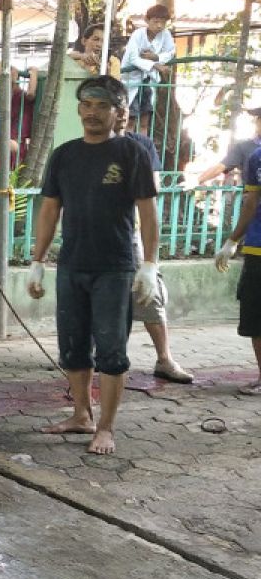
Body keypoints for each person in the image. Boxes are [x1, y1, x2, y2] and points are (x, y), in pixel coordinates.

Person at [28, 75, 161, 456]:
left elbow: (148, 213)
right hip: (72, 265)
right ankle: (81, 414)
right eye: (86, 105)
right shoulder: (65, 155)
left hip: (115, 268)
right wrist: (38, 261)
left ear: (119, 112)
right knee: (73, 346)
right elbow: (50, 208)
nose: (92, 113)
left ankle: (106, 426)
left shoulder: (131, 153)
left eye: (102, 106)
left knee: (111, 350)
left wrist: (149, 264)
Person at [113, 105, 194, 383]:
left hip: (131, 230)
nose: (122, 114)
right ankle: (105, 358)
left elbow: (152, 190)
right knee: (105, 299)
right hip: (98, 235)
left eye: (125, 109)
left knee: (149, 294)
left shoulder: (141, 145)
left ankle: (164, 358)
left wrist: (150, 260)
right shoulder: (87, 148)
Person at [215, 107, 261, 395]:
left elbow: (250, 203)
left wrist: (232, 240)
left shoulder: (257, 157)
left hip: (259, 248)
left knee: (257, 317)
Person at [121, 4, 176, 123]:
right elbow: (133, 58)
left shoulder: (165, 34)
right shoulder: (138, 35)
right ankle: (129, 141)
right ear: (147, 20)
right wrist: (155, 65)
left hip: (149, 79)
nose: (159, 25)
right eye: (156, 21)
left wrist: (156, 57)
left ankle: (143, 141)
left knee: (145, 118)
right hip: (131, 79)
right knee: (130, 118)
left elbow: (170, 52)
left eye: (163, 22)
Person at [197, 106, 261, 185]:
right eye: (259, 119)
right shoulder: (244, 147)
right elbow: (220, 168)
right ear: (257, 122)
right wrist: (197, 180)